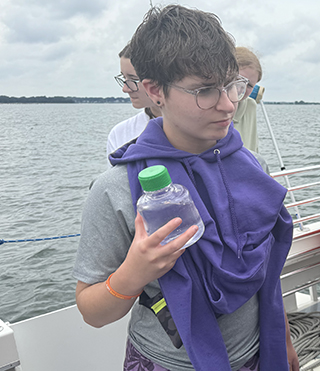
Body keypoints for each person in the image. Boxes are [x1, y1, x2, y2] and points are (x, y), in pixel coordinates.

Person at [73, 5, 298, 371]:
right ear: (154, 90)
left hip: (259, 352)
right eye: (205, 91)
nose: (227, 105)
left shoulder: (254, 167)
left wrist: (283, 337)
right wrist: (134, 272)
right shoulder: (115, 190)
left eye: (232, 85)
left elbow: (265, 275)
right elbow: (91, 311)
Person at [106, 44, 162, 167]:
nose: (125, 89)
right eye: (123, 78)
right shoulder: (120, 133)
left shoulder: (203, 129)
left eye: (133, 79)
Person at [232, 47, 262, 152]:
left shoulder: (250, 105)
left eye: (249, 85)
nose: (241, 88)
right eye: (237, 80)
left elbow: (254, 147)